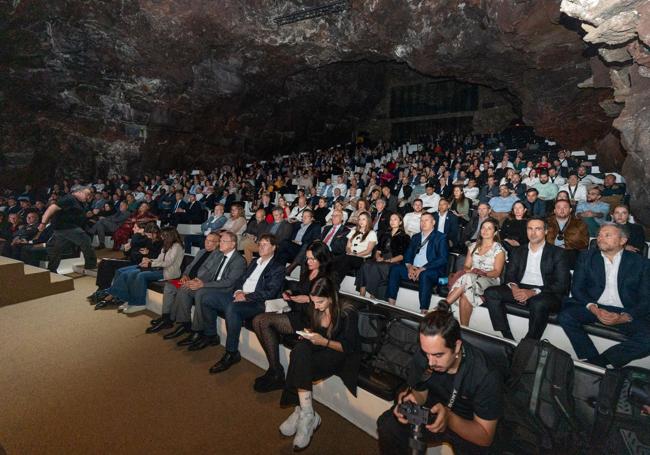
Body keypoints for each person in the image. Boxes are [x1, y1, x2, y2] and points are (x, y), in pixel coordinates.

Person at [376, 304, 502, 455]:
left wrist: (449, 418)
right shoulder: (425, 354)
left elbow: (485, 436)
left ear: (456, 347)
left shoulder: (485, 375)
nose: (430, 362)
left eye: (438, 355)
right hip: (433, 410)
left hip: (468, 423)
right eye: (426, 353)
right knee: (388, 426)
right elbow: (420, 393)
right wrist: (412, 400)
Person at [279, 277, 360, 451]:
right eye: (314, 301)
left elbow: (348, 347)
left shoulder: (347, 312)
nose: (316, 306)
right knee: (300, 349)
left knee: (299, 361)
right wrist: (309, 334)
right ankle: (307, 412)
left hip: (340, 353)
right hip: (321, 345)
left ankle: (301, 410)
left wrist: (322, 341)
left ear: (331, 297)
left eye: (320, 302)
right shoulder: (316, 307)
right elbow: (315, 330)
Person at [559, 224, 650, 368]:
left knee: (647, 339)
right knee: (566, 316)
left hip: (625, 310)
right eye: (600, 235)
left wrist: (623, 317)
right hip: (596, 306)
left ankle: (598, 363)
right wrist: (594, 309)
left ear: (622, 240)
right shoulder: (586, 257)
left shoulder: (641, 263)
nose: (601, 238)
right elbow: (577, 289)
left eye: (607, 235)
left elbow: (646, 300)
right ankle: (590, 357)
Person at [252, 241, 333, 393]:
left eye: (312, 259)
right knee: (258, 320)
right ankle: (275, 369)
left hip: (312, 318)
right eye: (307, 258)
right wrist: (290, 293)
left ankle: (276, 372)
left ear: (321, 258)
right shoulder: (308, 271)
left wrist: (308, 299)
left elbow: (329, 300)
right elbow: (301, 290)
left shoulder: (329, 276)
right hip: (299, 312)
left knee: (263, 321)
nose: (308, 262)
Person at [200, 234, 285, 373]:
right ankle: (210, 335)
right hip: (240, 296)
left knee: (233, 308)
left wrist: (247, 297)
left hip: (257, 303)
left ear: (274, 247)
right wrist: (239, 291)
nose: (261, 246)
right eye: (260, 243)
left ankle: (231, 352)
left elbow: (269, 292)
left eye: (265, 244)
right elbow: (240, 279)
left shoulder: (277, 267)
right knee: (207, 298)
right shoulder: (254, 262)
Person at [484, 218, 570, 340]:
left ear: (545, 231)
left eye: (538, 229)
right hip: (520, 287)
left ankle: (529, 343)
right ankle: (506, 336)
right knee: (491, 292)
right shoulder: (518, 251)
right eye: (530, 229)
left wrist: (532, 292)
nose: (533, 232)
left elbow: (562, 284)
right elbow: (510, 275)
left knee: (538, 303)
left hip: (546, 292)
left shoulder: (558, 253)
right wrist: (514, 288)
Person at [146, 232, 222, 333]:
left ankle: (181, 322)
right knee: (169, 286)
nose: (207, 243)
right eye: (206, 240)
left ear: (217, 243)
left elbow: (209, 275)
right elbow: (190, 267)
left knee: (183, 289)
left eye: (211, 241)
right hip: (188, 280)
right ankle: (166, 316)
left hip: (198, 283)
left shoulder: (218, 255)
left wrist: (193, 280)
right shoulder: (201, 252)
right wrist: (185, 275)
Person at [97, 227, 184, 313]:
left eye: (163, 235)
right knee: (131, 274)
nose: (161, 237)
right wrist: (149, 260)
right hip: (159, 268)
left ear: (168, 236)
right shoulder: (166, 245)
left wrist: (150, 263)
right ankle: (129, 300)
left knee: (141, 275)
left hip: (168, 272)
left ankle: (139, 303)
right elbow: (159, 259)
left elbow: (168, 263)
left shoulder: (177, 246)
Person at [444, 218, 506, 326]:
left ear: (495, 232)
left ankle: (443, 307)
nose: (485, 231)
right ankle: (464, 329)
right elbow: (466, 266)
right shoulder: (473, 246)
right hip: (471, 279)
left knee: (467, 277)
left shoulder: (498, 249)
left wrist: (481, 273)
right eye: (483, 228)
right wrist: (473, 271)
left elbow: (496, 272)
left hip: (490, 280)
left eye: (489, 228)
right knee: (465, 295)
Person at [386, 212, 449, 313]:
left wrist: (422, 268)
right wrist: (410, 267)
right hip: (414, 269)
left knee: (424, 275)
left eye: (426, 220)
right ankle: (391, 305)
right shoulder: (415, 237)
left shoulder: (441, 237)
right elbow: (408, 255)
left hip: (431, 271)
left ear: (433, 222)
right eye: (421, 220)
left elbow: (442, 258)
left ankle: (423, 311)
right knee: (395, 269)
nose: (423, 223)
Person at [38, 186, 97, 273]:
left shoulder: (80, 202)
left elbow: (78, 215)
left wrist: (88, 214)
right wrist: (43, 223)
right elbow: (51, 208)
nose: (89, 197)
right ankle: (91, 265)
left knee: (55, 248)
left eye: (90, 195)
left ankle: (52, 269)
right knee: (86, 241)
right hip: (67, 227)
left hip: (63, 229)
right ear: (79, 192)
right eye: (87, 194)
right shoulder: (69, 199)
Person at [356, 213, 410, 299]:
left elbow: (402, 256)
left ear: (400, 222)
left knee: (376, 267)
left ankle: (372, 297)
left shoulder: (405, 237)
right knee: (366, 265)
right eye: (391, 219)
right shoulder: (385, 234)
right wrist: (377, 257)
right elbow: (378, 250)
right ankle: (361, 296)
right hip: (382, 259)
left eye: (395, 219)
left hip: (394, 261)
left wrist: (388, 260)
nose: (392, 221)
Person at [332, 211, 377, 284]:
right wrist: (349, 252)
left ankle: (333, 285)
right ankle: (333, 285)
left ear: (368, 220)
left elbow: (368, 251)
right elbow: (348, 246)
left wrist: (355, 255)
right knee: (337, 259)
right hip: (349, 256)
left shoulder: (372, 233)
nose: (361, 221)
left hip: (361, 258)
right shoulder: (353, 231)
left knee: (345, 259)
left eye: (363, 219)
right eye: (359, 219)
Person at [545, 199, 589, 268]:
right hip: (549, 252)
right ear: (554, 210)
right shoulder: (547, 222)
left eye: (565, 207)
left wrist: (564, 245)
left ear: (570, 210)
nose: (562, 210)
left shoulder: (580, 223)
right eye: (559, 207)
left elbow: (584, 242)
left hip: (571, 253)